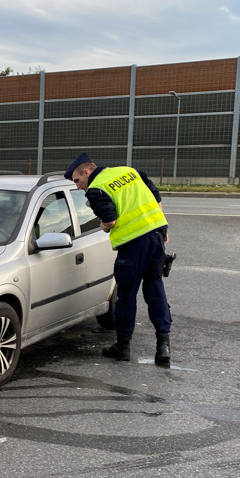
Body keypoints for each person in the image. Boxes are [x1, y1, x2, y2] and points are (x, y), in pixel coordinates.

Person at [64, 153, 172, 364]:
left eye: (77, 180)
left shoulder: (97, 189)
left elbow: (110, 220)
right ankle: (163, 347)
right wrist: (162, 225)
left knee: (126, 295)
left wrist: (102, 227)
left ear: (87, 172)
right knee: (155, 290)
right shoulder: (128, 171)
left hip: (132, 246)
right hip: (156, 238)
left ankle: (122, 347)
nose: (77, 186)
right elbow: (155, 195)